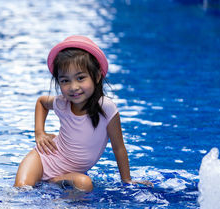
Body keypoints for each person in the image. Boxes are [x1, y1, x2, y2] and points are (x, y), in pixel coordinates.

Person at [14, 35, 152, 192]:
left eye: (80, 78)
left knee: (84, 184)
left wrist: (127, 180)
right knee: (20, 190)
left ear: (97, 76)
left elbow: (118, 148)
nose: (73, 87)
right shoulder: (62, 103)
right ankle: (48, 184)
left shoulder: (106, 108)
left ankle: (53, 182)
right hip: (42, 159)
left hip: (71, 174)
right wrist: (39, 133)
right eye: (65, 80)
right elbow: (41, 102)